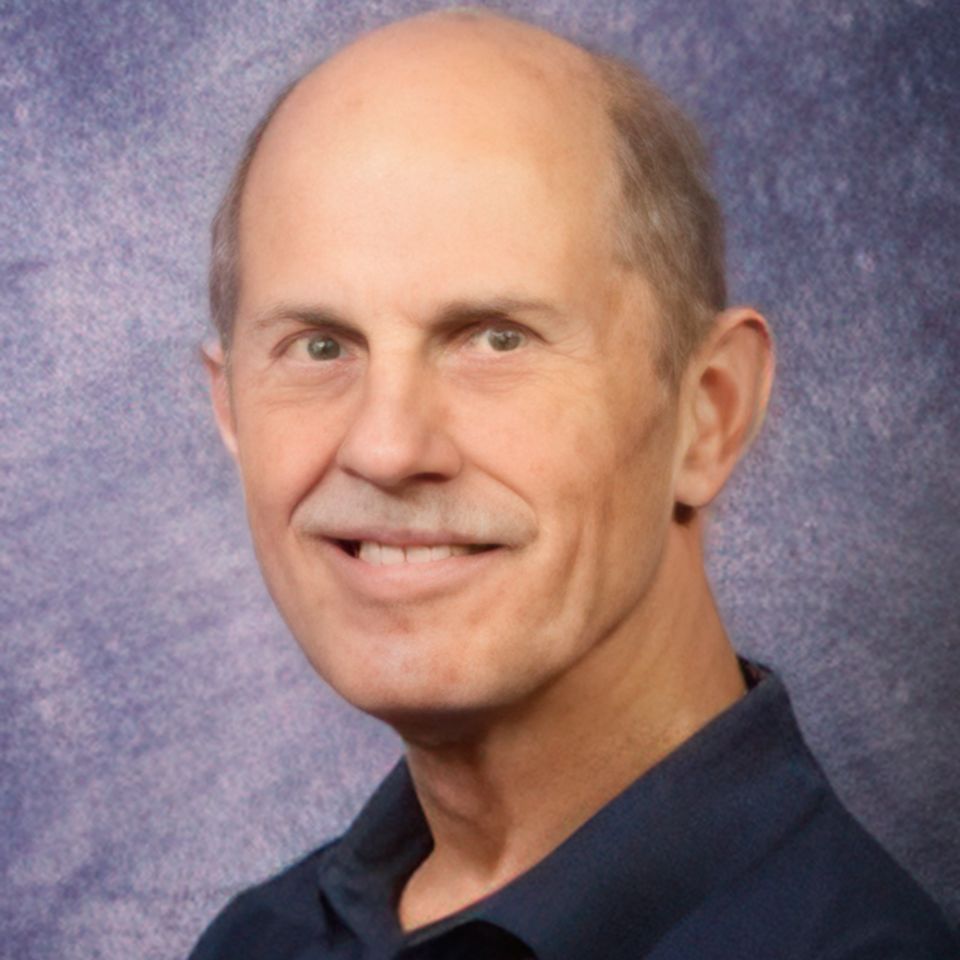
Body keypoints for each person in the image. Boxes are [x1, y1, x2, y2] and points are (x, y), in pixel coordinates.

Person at [189, 9, 958, 958]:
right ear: (230, 410)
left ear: (706, 413)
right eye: (318, 347)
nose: (386, 448)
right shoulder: (260, 941)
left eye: (496, 338)